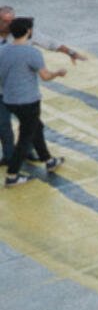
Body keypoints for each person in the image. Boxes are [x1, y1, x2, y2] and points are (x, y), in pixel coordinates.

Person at [0, 18, 69, 185]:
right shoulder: (32, 53)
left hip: (9, 99)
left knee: (36, 127)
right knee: (26, 137)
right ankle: (12, 175)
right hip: (29, 101)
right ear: (28, 32)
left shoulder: (2, 51)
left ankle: (48, 160)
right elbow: (45, 76)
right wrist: (58, 73)